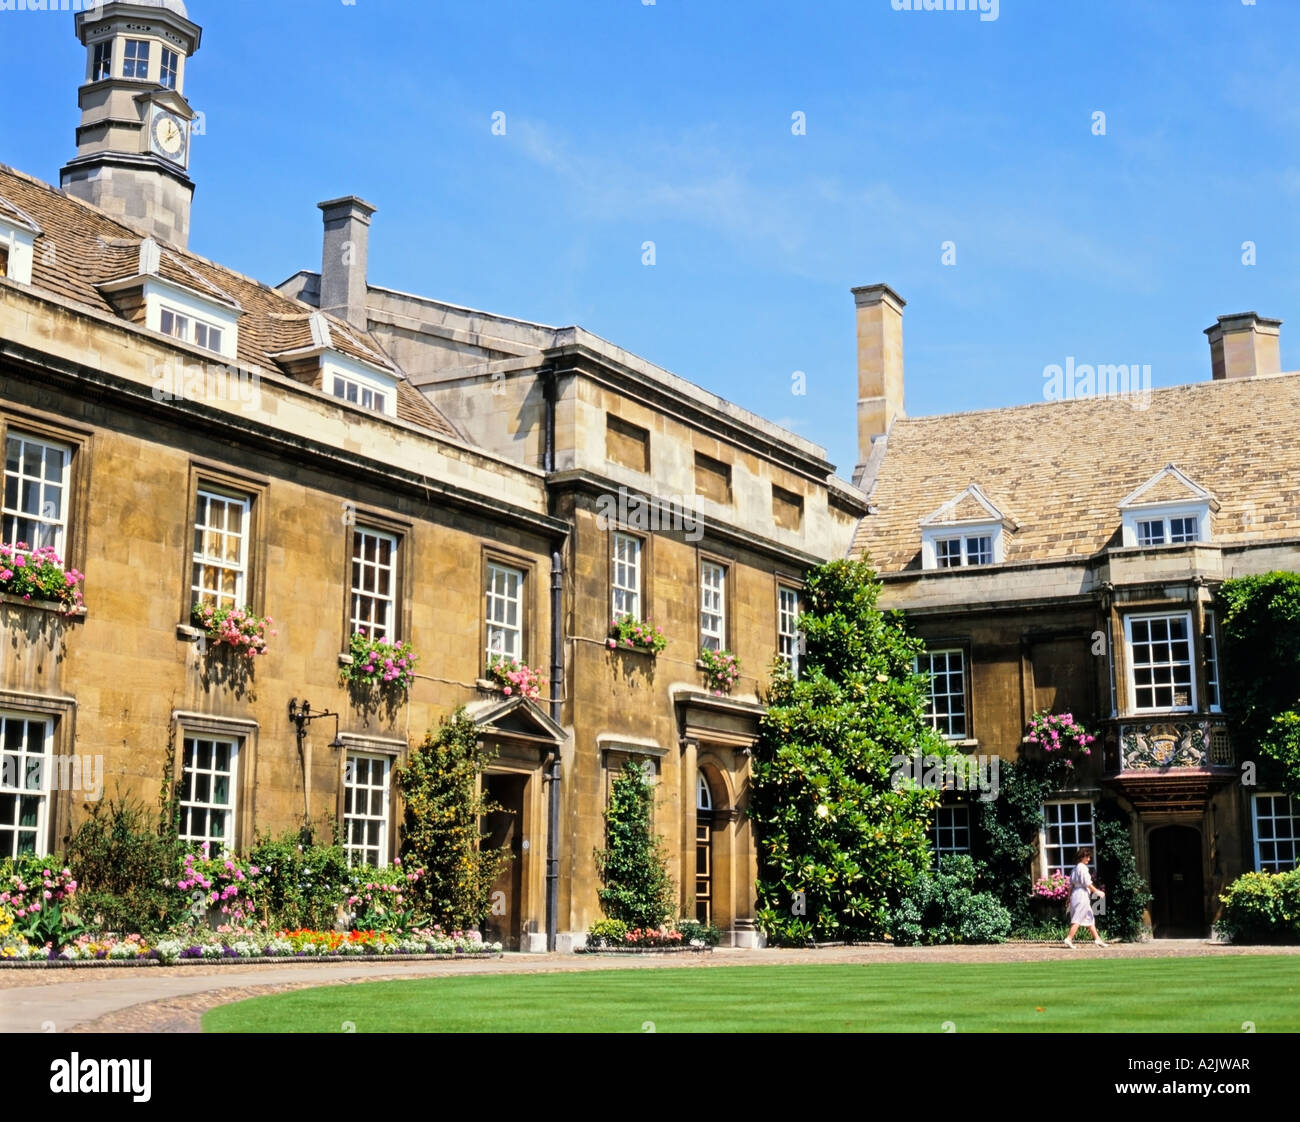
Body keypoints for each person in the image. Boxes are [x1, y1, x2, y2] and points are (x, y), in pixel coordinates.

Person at [1064, 847, 1106, 948]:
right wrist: (1097, 891)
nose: (1089, 859)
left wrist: (1068, 898)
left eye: (1089, 857)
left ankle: (1097, 939)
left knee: (1089, 917)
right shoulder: (1082, 868)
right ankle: (1069, 938)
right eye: (1087, 857)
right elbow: (1087, 883)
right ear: (1081, 857)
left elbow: (1070, 886)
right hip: (1081, 895)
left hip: (1075, 894)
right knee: (1078, 917)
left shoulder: (1074, 869)